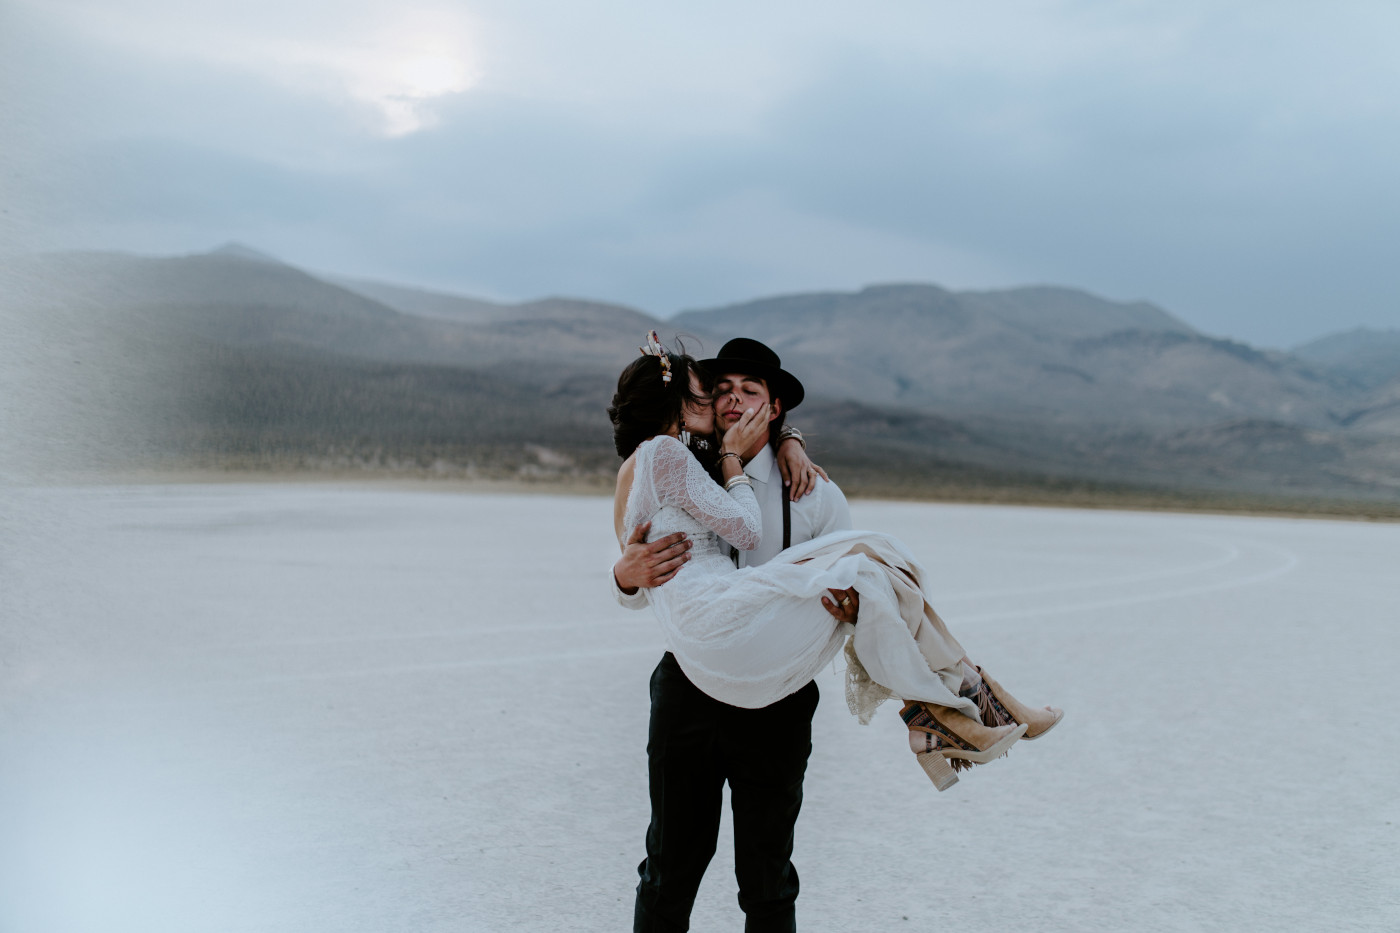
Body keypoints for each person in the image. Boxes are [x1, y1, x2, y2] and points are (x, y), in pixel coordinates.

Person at [611, 335, 1061, 932]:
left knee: (768, 877)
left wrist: (848, 605)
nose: (734, 402)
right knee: (670, 868)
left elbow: (847, 604)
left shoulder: (816, 494)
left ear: (775, 410)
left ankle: (955, 703)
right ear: (703, 406)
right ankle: (953, 704)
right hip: (691, 691)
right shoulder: (682, 463)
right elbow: (648, 583)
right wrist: (623, 575)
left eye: (751, 392)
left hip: (778, 697)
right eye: (721, 392)